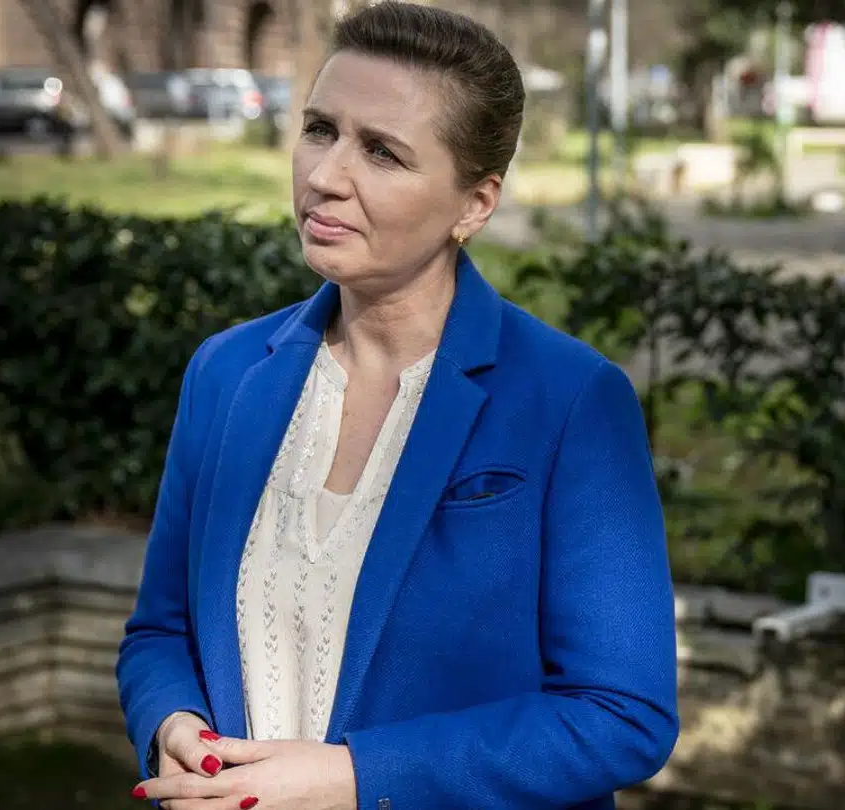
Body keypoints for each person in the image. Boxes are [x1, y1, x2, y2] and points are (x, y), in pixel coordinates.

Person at [114, 4, 679, 809]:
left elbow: (623, 715)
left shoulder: (570, 400)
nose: (325, 175)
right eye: (320, 130)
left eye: (382, 151)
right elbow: (159, 633)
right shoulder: (226, 372)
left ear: (474, 204)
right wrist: (173, 724)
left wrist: (356, 778)